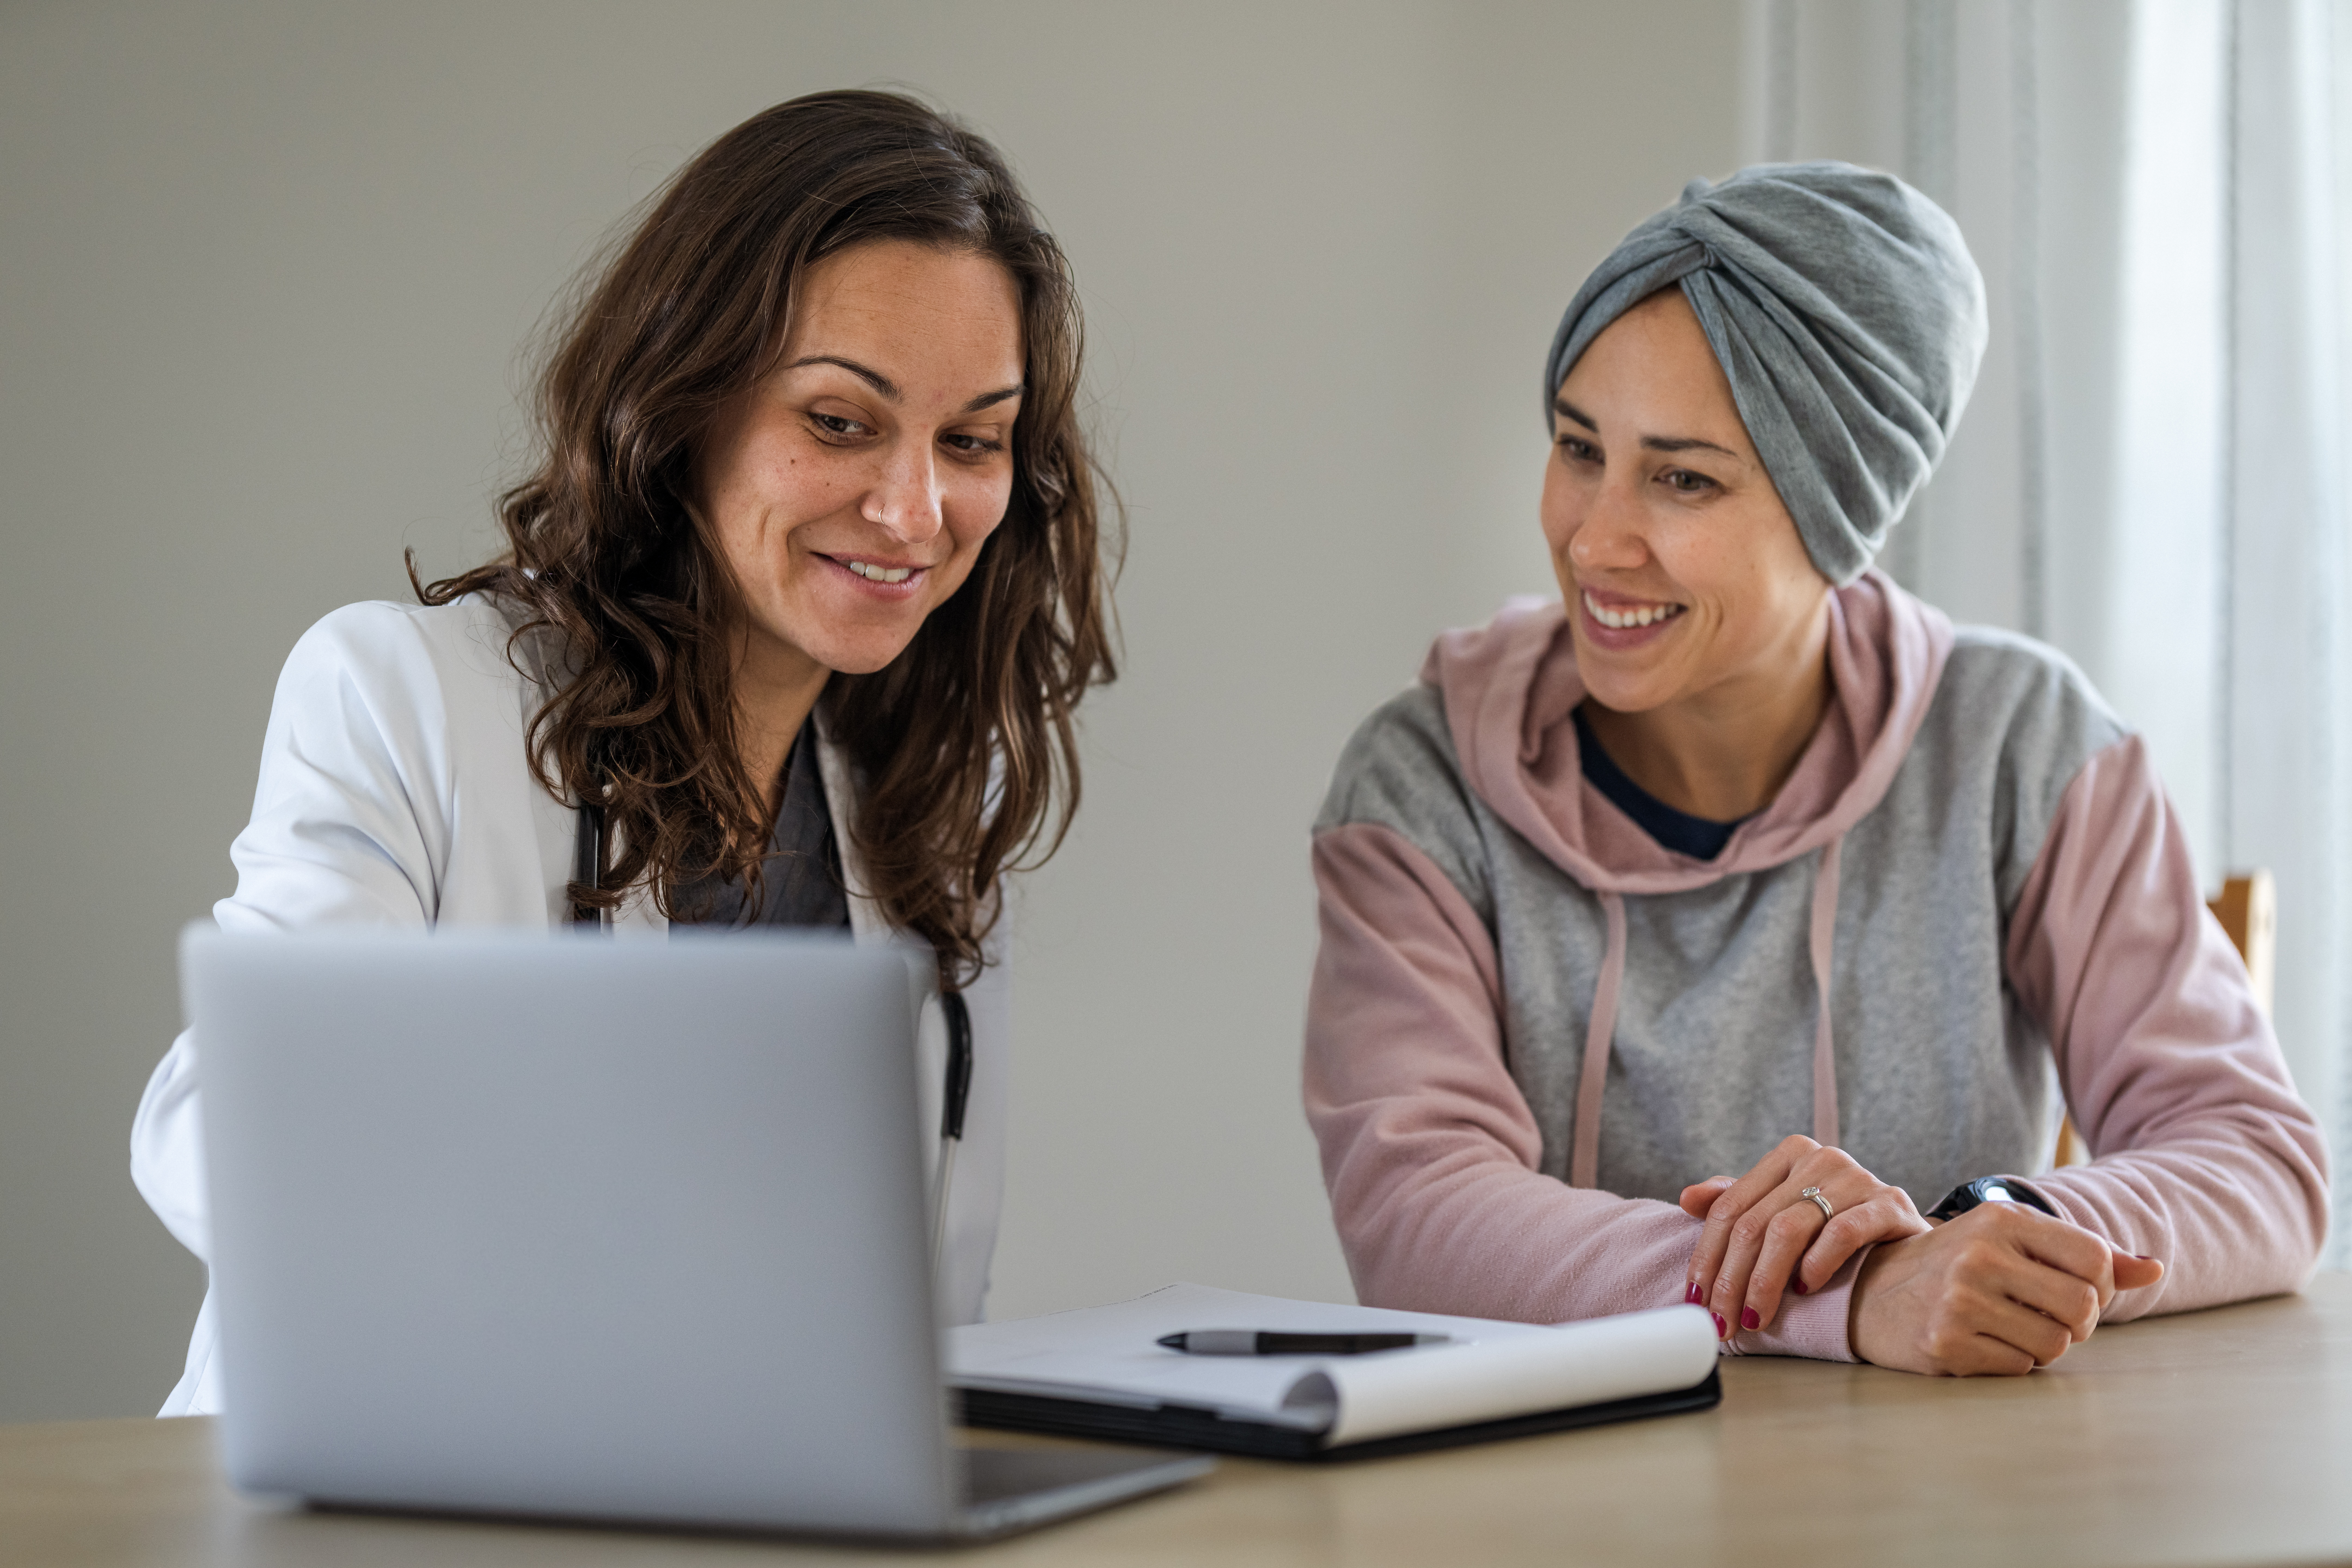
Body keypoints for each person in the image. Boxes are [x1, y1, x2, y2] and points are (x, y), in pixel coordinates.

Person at [130, 90, 1116, 1415]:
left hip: (749, 1498)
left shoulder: (928, 803)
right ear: (686, 398)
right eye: (839, 421)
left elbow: (930, 1315)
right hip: (387, 1480)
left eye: (972, 441)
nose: (913, 509)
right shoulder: (409, 697)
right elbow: (216, 1137)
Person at [1304, 163, 2329, 1376]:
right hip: (1569, 1483)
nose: (1594, 539)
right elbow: (1416, 1214)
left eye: (1683, 478)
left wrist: (1997, 1236)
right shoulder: (1422, 787)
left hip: (1935, 1482)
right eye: (1580, 448)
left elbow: (2258, 1162)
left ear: (1839, 514)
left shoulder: (2024, 746)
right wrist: (1851, 1289)